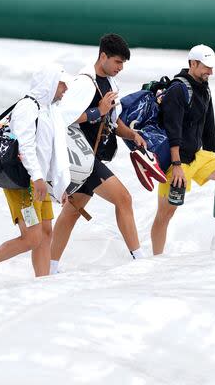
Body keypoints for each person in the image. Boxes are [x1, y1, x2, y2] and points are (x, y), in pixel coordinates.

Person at [50, 34, 147, 273]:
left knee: (71, 212)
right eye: (117, 62)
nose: (120, 68)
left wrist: (132, 136)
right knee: (123, 198)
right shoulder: (84, 82)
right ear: (103, 56)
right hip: (81, 157)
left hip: (92, 157)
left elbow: (113, 122)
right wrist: (97, 111)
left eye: (123, 64)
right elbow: (62, 117)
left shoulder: (111, 84)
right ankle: (140, 259)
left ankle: (49, 266)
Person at [0, 64, 73, 286]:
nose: (65, 90)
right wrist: (37, 178)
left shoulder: (48, 110)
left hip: (39, 182)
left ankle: (42, 284)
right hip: (24, 183)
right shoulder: (28, 107)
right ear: (51, 84)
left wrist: (58, 186)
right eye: (63, 84)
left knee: (46, 233)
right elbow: (25, 146)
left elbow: (50, 153)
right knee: (32, 237)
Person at [150, 44, 215, 255]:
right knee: (165, 215)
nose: (211, 72)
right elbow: (173, 130)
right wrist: (176, 166)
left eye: (212, 68)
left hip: (196, 155)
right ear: (192, 64)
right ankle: (156, 258)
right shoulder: (178, 89)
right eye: (206, 67)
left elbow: (209, 127)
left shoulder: (204, 88)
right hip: (176, 162)